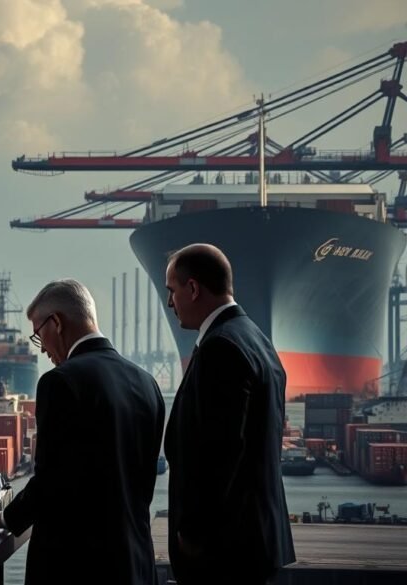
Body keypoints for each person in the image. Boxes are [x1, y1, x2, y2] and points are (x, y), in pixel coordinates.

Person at [0, 279, 165, 585]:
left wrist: (7, 517)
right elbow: (142, 485)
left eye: (38, 335)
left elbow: (50, 479)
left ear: (56, 323)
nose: (43, 348)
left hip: (76, 568)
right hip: (135, 564)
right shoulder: (147, 383)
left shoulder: (59, 382)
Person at [163, 243, 295, 585]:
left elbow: (220, 455)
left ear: (193, 288)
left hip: (223, 550)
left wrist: (193, 533)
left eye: (172, 290)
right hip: (253, 540)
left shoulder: (220, 347)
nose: (169, 303)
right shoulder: (257, 340)